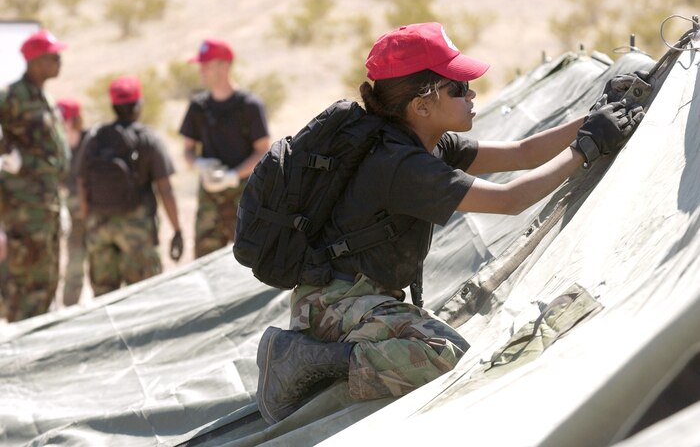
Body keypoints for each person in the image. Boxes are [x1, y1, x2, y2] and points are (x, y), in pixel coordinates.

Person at [255, 22, 644, 424]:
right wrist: (586, 148)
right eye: (457, 87)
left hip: (351, 297)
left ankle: (336, 356)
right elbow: (510, 200)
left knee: (430, 346)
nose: (471, 93)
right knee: (442, 352)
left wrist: (597, 116)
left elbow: (523, 153)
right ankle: (302, 359)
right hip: (334, 304)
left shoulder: (425, 141)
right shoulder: (400, 166)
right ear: (421, 105)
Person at [76, 75, 184, 296]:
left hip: (99, 227)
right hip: (137, 230)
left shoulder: (94, 137)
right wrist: (177, 229)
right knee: (144, 297)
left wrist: (88, 219)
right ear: (139, 105)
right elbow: (165, 189)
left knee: (104, 299)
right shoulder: (148, 139)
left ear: (113, 105)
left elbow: (81, 182)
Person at [0, 29, 70, 322]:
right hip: (24, 210)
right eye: (54, 56)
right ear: (36, 61)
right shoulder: (13, 95)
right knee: (26, 287)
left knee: (48, 282)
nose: (59, 61)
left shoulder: (43, 97)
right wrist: (8, 157)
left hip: (47, 206)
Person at [179, 38, 271, 258]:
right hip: (209, 198)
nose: (201, 71)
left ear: (224, 65)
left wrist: (232, 175)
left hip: (245, 195)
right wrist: (199, 163)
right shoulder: (198, 106)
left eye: (206, 65)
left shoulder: (249, 105)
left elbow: (263, 151)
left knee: (251, 259)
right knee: (204, 260)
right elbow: (187, 150)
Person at [57, 98, 87, 305]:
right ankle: (70, 309)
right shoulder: (57, 147)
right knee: (74, 264)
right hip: (73, 215)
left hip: (96, 213)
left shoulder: (91, 142)